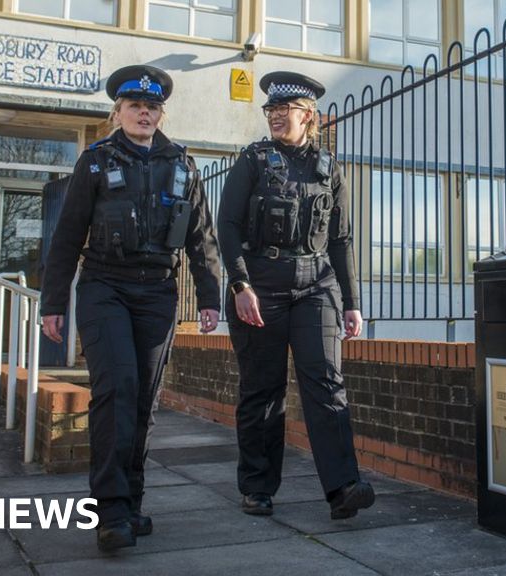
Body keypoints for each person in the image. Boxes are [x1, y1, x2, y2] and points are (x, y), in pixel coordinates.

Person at [40, 64, 221, 552]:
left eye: (152, 106)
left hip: (157, 292)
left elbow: (202, 237)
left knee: (143, 399)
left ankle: (132, 503)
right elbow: (67, 236)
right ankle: (111, 510)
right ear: (117, 111)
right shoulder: (96, 161)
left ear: (161, 113)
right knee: (116, 388)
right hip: (104, 288)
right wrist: (53, 302)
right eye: (135, 105)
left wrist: (210, 296)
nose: (144, 113)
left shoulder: (182, 163)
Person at [217, 71, 374, 520]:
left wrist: (352, 302)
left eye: (286, 110)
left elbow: (341, 240)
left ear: (309, 116)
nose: (277, 117)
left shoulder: (329, 167)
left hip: (316, 284)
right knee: (263, 389)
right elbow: (226, 225)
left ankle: (343, 487)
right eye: (272, 110)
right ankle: (258, 488)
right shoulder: (252, 160)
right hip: (261, 284)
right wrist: (240, 284)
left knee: (326, 381)